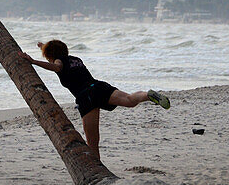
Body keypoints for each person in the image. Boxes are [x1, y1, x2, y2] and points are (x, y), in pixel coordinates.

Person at [19, 40, 170, 161]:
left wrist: (33, 61)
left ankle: (98, 169)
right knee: (130, 100)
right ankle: (148, 95)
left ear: (50, 55)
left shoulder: (59, 62)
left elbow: (56, 66)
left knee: (92, 142)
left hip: (87, 97)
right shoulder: (76, 59)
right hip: (99, 86)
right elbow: (57, 55)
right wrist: (42, 46)